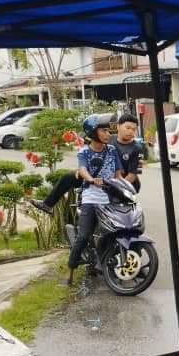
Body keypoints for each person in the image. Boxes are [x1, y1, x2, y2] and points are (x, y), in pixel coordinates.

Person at [67, 114, 120, 284]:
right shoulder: (84, 151)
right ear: (93, 132)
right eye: (104, 130)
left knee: (114, 233)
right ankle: (70, 269)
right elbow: (82, 169)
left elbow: (118, 174)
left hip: (109, 199)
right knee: (83, 236)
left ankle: (101, 263)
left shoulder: (112, 150)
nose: (108, 134)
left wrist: (123, 187)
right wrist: (90, 179)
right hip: (90, 198)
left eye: (108, 131)